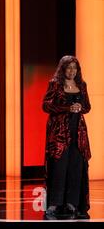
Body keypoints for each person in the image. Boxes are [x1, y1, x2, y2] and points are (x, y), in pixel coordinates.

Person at [42, 55, 91, 220]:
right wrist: (67, 108)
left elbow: (87, 107)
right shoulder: (55, 84)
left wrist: (80, 107)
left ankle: (72, 203)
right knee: (59, 168)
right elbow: (46, 105)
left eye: (74, 68)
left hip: (78, 132)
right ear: (63, 69)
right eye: (69, 67)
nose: (72, 71)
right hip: (59, 133)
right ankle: (54, 203)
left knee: (76, 168)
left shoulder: (82, 85)